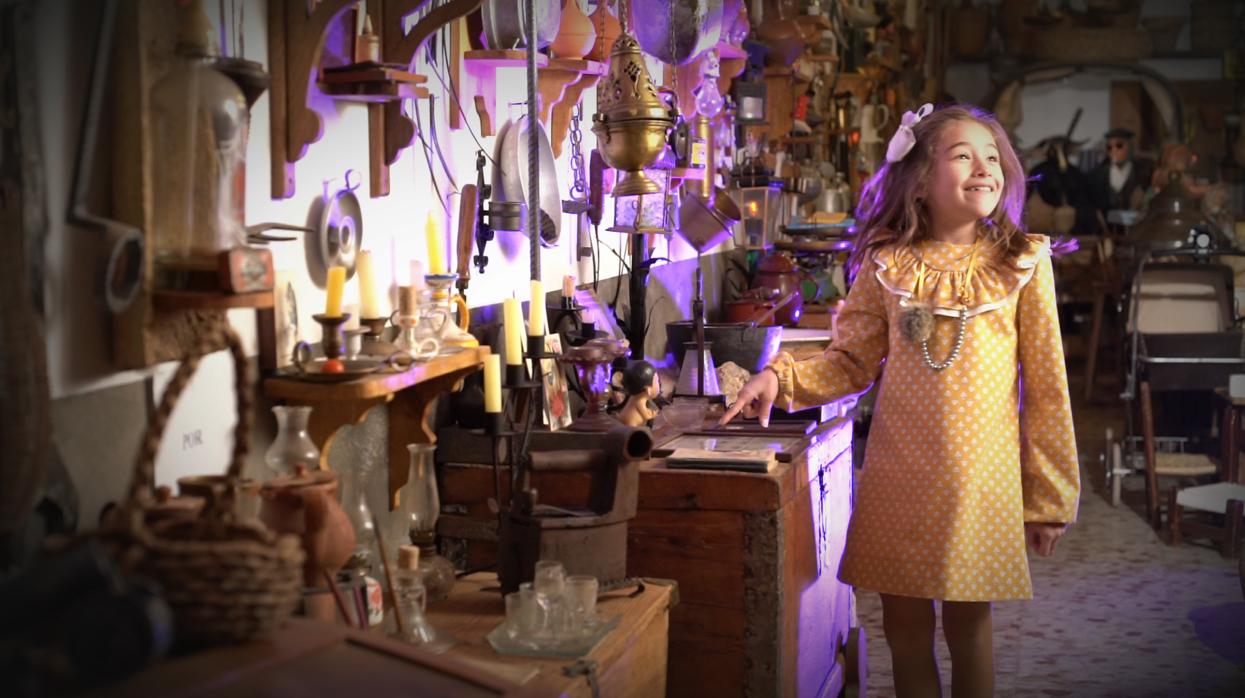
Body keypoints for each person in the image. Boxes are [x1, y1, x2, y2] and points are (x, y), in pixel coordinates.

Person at [720, 103, 1080, 697]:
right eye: (963, 156)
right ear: (919, 181)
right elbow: (850, 362)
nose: (984, 168)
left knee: (969, 631)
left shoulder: (1021, 263)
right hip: (898, 479)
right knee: (904, 632)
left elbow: (1048, 389)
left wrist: (1049, 497)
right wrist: (780, 381)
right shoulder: (886, 263)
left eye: (992, 157)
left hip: (979, 485)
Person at [1088, 127, 1150, 218]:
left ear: (1130, 146)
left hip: (1136, 222)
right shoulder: (1097, 175)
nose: (1114, 150)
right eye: (1109, 147)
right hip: (1105, 224)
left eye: (1119, 145)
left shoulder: (1143, 173)